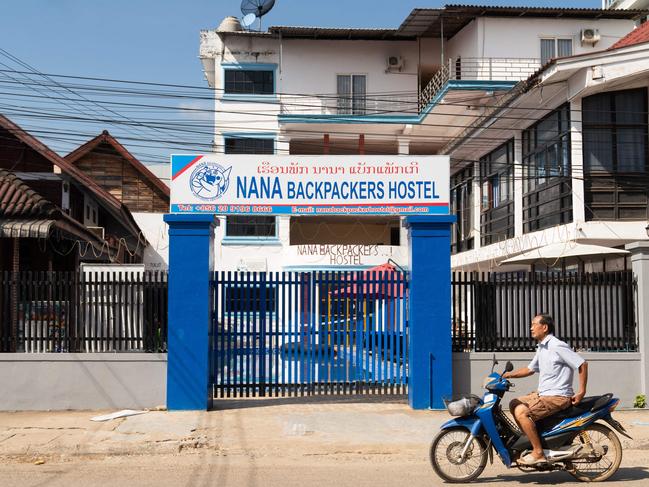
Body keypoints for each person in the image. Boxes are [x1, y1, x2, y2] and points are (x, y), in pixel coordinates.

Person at [502, 313, 588, 466]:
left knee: (521, 412)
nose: (531, 328)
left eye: (534, 324)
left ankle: (538, 452)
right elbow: (530, 369)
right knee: (514, 403)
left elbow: (582, 364)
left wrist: (581, 391)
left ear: (545, 327)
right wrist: (507, 375)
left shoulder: (556, 345)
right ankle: (530, 439)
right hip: (544, 394)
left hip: (557, 396)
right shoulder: (542, 347)